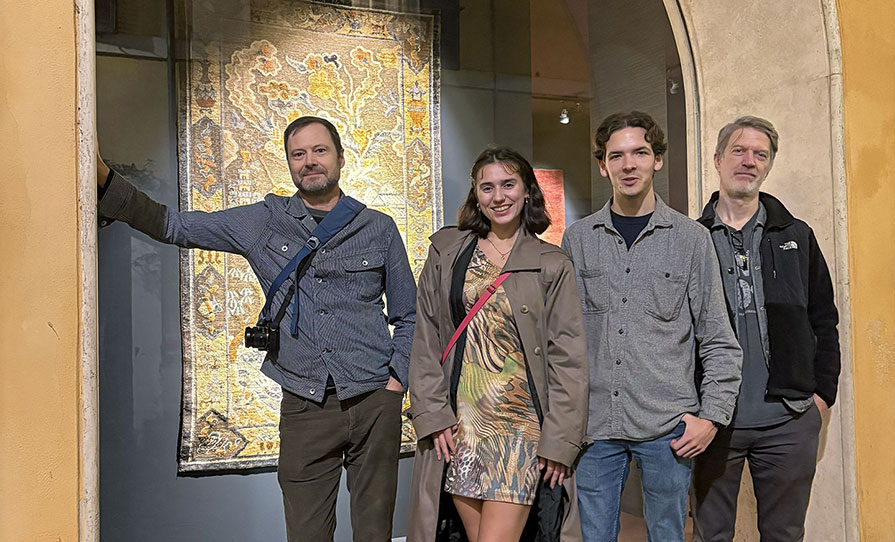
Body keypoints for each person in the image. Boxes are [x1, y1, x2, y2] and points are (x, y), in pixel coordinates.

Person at [96, 116, 416, 542]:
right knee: (306, 533)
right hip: (305, 404)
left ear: (340, 157)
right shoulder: (264, 221)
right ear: (287, 163)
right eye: (298, 154)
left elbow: (408, 313)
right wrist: (105, 182)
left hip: (375, 401)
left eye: (319, 151)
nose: (309, 162)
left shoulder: (378, 226)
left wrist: (396, 382)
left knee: (374, 533)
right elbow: (173, 225)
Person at [561, 111, 743, 541]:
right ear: (602, 165)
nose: (629, 165)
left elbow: (718, 337)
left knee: (667, 535)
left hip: (668, 429)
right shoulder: (578, 239)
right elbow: (563, 339)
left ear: (657, 159)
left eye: (640, 153)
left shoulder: (690, 239)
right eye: (617, 156)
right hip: (595, 428)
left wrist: (711, 418)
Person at [406, 147, 589, 542]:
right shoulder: (447, 252)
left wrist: (561, 440)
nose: (499, 196)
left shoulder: (551, 263)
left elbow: (569, 359)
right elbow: (426, 339)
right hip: (461, 429)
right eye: (487, 187)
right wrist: (433, 415)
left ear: (527, 191)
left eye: (509, 184)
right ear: (475, 194)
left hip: (520, 432)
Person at [691, 116, 840, 542]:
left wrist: (821, 399)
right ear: (718, 160)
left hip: (788, 420)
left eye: (761, 154)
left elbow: (823, 321)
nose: (749, 162)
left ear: (769, 165)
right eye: (739, 151)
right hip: (714, 422)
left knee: (785, 534)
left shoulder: (797, 236)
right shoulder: (692, 239)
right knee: (711, 535)